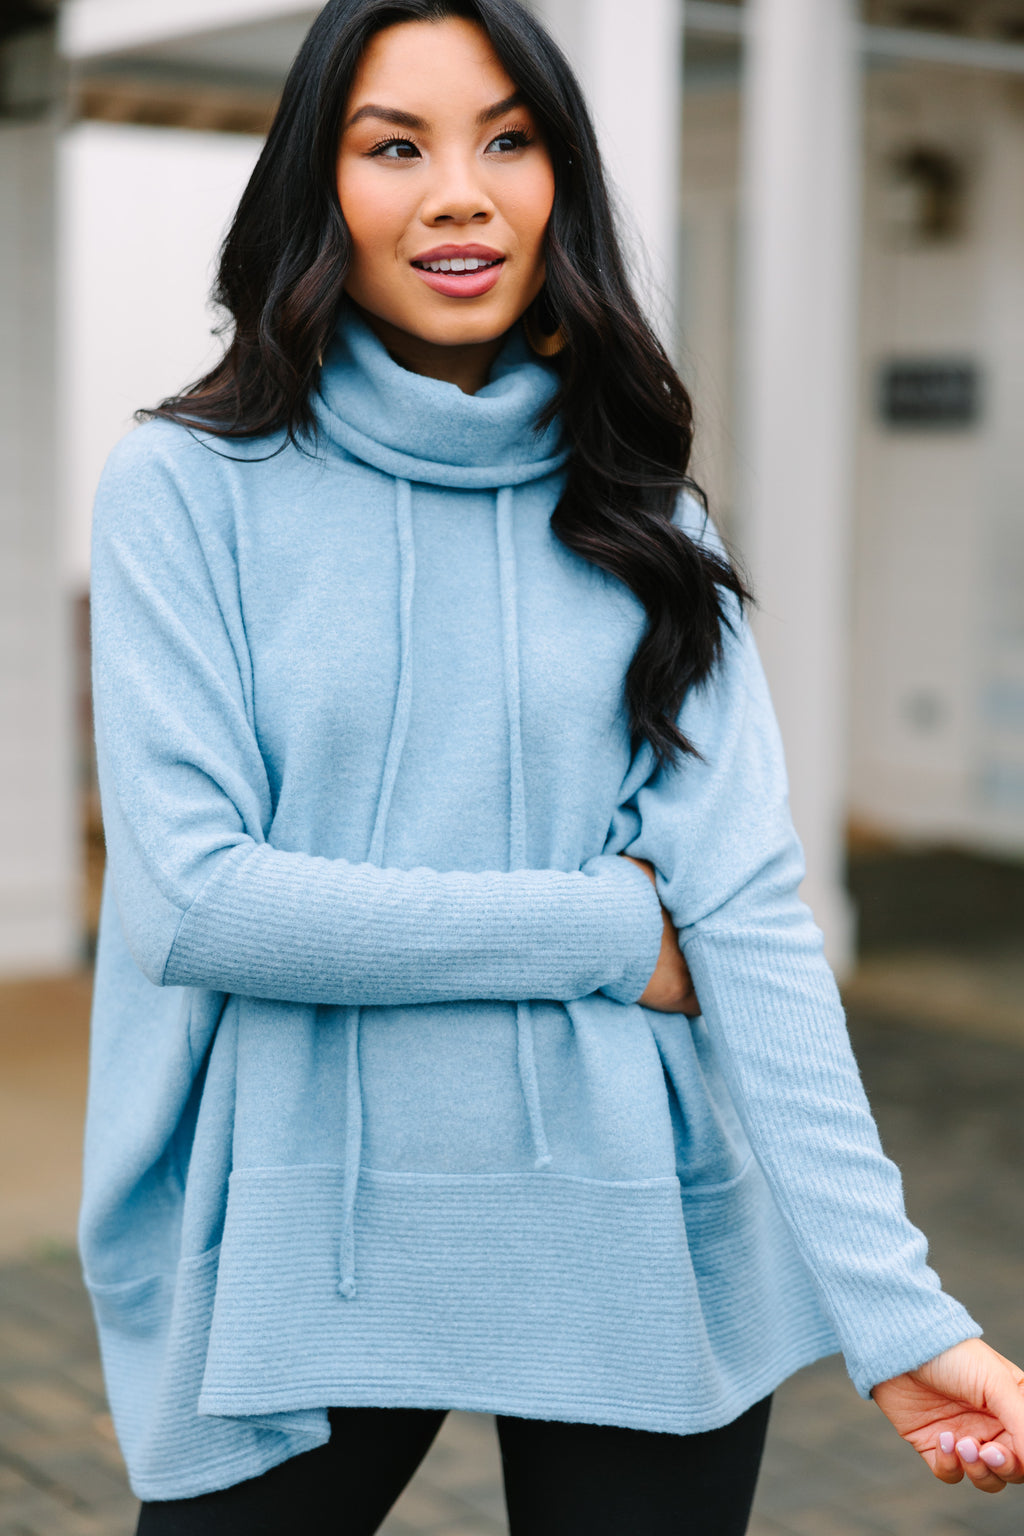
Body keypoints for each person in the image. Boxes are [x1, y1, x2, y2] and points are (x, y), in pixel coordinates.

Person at [81, 1, 1024, 1532]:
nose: (462, 189)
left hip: (634, 1227)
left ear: (559, 186)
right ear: (318, 191)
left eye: (509, 140)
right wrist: (609, 933)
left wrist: (902, 1318)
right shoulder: (187, 489)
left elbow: (754, 931)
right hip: (306, 1229)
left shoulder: (649, 518)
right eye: (396, 146)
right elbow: (203, 901)